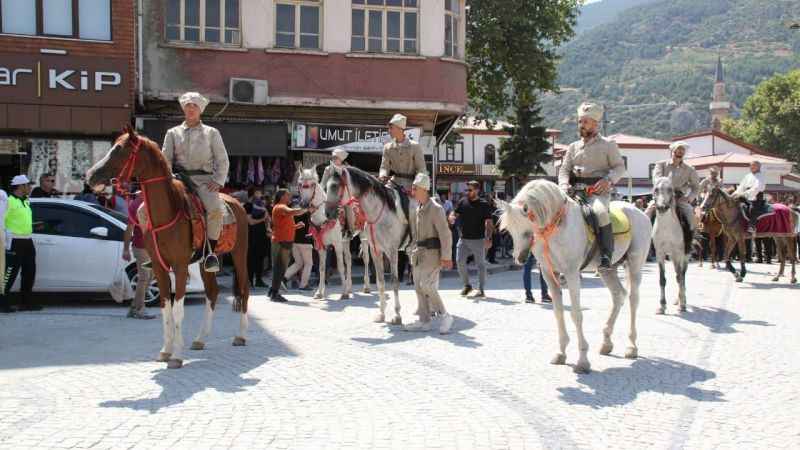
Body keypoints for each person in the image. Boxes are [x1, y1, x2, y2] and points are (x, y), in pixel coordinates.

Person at [162, 92, 230, 273]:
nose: (191, 109)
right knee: (148, 208)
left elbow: (222, 159)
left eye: (195, 106)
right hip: (178, 179)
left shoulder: (211, 133)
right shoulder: (172, 133)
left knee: (215, 212)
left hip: (204, 181)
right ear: (184, 109)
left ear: (200, 110)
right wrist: (168, 179)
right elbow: (165, 160)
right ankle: (155, 251)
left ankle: (210, 253)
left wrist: (218, 180)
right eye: (188, 106)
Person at [558, 102, 626, 269]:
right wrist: (564, 184)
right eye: (580, 121)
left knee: (601, 213)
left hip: (597, 192)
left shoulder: (608, 144)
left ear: (596, 123)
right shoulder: (573, 147)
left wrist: (608, 180)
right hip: (574, 191)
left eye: (585, 121)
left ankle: (606, 255)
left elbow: (619, 167)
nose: (581, 125)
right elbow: (564, 169)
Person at [404, 173, 454, 333]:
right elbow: (415, 234)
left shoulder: (436, 209)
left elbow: (445, 234)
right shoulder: (418, 208)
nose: (412, 190)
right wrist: (411, 249)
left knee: (427, 286)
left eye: (415, 188)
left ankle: (445, 316)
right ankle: (424, 321)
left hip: (432, 254)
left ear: (424, 189)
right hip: (418, 254)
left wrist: (446, 257)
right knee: (418, 287)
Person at [646, 141, 701, 253]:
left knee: (690, 212)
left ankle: (692, 239)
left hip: (679, 197)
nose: (680, 151)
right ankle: (643, 237)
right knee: (648, 211)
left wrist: (689, 198)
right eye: (678, 149)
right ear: (672, 151)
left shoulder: (690, 169)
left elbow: (696, 187)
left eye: (682, 150)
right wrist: (665, 186)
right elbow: (656, 180)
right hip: (663, 195)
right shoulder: (661, 164)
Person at [0, 176, 42, 313]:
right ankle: (2, 303)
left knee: (29, 272)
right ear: (20, 186)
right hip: (14, 241)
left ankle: (26, 303)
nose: (30, 187)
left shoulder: (26, 201)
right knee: (9, 273)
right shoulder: (8, 201)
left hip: (27, 240)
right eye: (28, 185)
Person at [450, 180, 494, 298]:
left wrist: (488, 238)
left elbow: (489, 222)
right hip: (463, 239)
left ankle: (481, 289)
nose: (467, 192)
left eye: (470, 190)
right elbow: (455, 213)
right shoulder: (462, 202)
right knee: (459, 261)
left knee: (480, 265)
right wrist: (452, 216)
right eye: (467, 190)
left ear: (477, 190)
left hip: (478, 239)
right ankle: (467, 285)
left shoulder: (484, 204)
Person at [269, 189, 311, 302]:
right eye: (288, 195)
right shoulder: (280, 207)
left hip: (284, 241)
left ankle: (272, 291)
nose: (290, 197)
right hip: (281, 242)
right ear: (282, 196)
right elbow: (292, 212)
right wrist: (306, 209)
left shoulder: (281, 207)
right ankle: (275, 294)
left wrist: (296, 226)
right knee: (280, 269)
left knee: (280, 268)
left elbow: (285, 225)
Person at [122, 189, 156, 319]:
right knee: (144, 277)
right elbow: (129, 228)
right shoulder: (137, 204)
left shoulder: (149, 202)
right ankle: (140, 309)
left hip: (149, 247)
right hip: (141, 247)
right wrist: (125, 249)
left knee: (150, 276)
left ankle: (134, 308)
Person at [244, 187, 269, 288]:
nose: (260, 195)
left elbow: (267, 217)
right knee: (251, 258)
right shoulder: (248, 206)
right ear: (253, 194)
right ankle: (249, 280)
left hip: (261, 234)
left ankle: (259, 279)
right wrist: (263, 218)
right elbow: (250, 221)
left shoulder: (261, 206)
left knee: (260, 258)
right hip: (252, 235)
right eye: (258, 193)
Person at [284, 211, 314, 291]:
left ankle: (283, 278)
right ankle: (303, 285)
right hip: (305, 242)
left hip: (295, 241)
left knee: (298, 263)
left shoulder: (293, 213)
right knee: (308, 263)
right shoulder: (308, 213)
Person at [733, 161, 766, 234]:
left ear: (759, 167)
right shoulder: (747, 176)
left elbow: (756, 188)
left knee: (753, 208)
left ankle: (752, 226)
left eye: (754, 165)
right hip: (745, 196)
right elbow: (741, 186)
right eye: (751, 165)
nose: (752, 167)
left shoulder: (761, 176)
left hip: (756, 196)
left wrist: (744, 194)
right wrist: (734, 194)